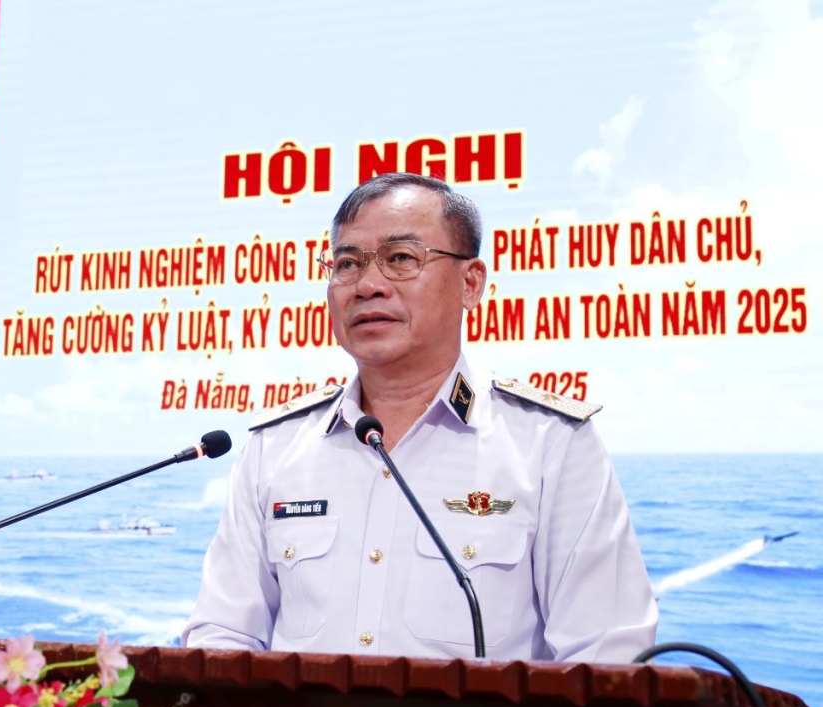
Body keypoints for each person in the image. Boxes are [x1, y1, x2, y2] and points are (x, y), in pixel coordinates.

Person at [182, 173, 657, 662]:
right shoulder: (276, 447)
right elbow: (222, 636)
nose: (367, 286)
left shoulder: (549, 443)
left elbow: (606, 656)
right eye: (347, 264)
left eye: (401, 259)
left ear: (470, 283)